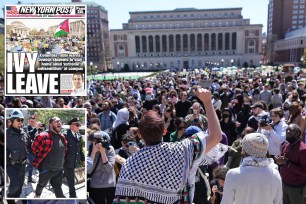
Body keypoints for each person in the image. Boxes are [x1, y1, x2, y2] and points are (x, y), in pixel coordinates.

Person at [113, 88, 222, 204]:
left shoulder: (129, 165)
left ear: (139, 134)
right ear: (165, 131)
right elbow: (216, 136)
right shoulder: (181, 150)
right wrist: (207, 102)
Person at [221, 133, 282, 204]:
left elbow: (226, 202)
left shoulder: (233, 174)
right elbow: (278, 202)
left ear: (244, 150)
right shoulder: (275, 174)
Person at [32, 117, 67, 198]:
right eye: (57, 121)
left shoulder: (62, 137)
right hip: (46, 170)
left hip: (59, 170)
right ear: (50, 124)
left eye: (60, 121)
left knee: (58, 189)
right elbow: (34, 149)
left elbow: (64, 151)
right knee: (40, 185)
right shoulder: (42, 136)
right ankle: (37, 196)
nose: (59, 123)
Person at [275, 124, 306, 204]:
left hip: (296, 188)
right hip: (284, 183)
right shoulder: (286, 145)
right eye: (287, 130)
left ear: (298, 134)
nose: (288, 132)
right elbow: (283, 160)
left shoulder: (303, 150)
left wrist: (287, 163)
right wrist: (279, 161)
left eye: (291, 131)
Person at [88, 130, 116, 204]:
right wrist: (93, 152)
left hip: (109, 186)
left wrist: (103, 152)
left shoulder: (110, 149)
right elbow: (88, 170)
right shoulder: (91, 150)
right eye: (95, 141)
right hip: (95, 186)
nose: (98, 143)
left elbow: (109, 168)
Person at [6, 109, 29, 201]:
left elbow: (29, 146)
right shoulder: (6, 134)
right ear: (11, 121)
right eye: (18, 120)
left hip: (22, 164)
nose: (20, 122)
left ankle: (16, 197)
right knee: (14, 185)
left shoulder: (24, 133)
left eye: (22, 120)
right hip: (11, 165)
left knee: (20, 185)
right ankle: (10, 198)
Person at [63, 117, 85, 198]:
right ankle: (73, 196)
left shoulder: (79, 135)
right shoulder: (65, 135)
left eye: (79, 125)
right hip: (67, 162)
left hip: (74, 162)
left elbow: (80, 149)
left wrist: (83, 159)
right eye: (77, 125)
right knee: (71, 181)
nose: (79, 127)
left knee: (65, 176)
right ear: (71, 126)